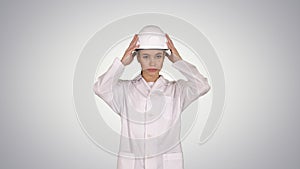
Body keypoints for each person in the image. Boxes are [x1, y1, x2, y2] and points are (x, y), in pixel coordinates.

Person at [93, 25, 211, 169]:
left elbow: (202, 85)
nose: (152, 62)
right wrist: (122, 63)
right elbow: (100, 88)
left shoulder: (177, 90)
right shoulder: (124, 90)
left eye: (158, 56)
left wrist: (179, 61)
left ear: (165, 58)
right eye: (145, 56)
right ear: (137, 58)